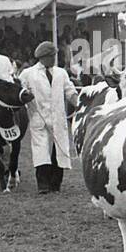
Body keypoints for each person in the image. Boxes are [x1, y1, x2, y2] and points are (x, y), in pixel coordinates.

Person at [19, 41, 78, 194]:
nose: (54, 59)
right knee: (41, 151)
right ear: (43, 57)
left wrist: (79, 104)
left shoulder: (61, 73)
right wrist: (25, 95)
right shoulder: (28, 73)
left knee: (59, 149)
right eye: (52, 56)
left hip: (58, 117)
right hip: (39, 117)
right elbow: (19, 90)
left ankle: (56, 184)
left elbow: (70, 91)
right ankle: (43, 185)